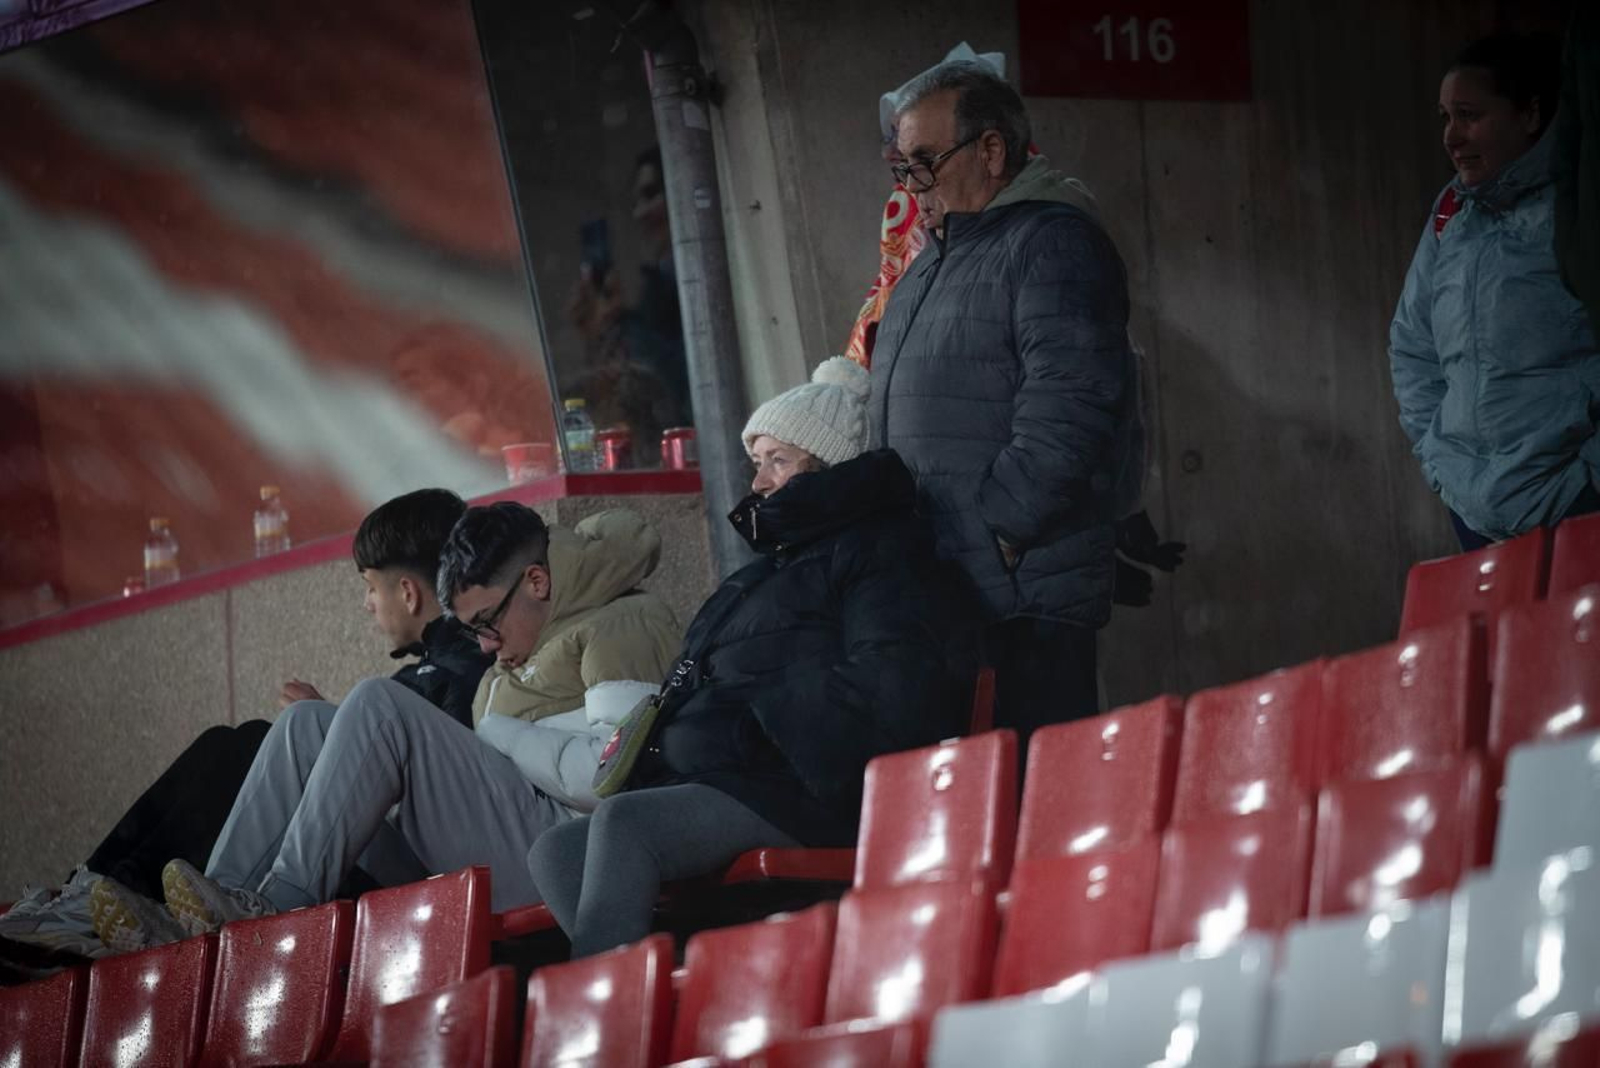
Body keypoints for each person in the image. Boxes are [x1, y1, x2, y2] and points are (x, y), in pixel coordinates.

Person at [528, 357, 973, 957]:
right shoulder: (769, 571)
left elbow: (896, 685)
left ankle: (604, 1026)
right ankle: (662, 993)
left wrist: (750, 724)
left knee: (625, 827)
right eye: (756, 463)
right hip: (736, 778)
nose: (759, 482)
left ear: (828, 468)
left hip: (807, 785)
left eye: (778, 461)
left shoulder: (883, 552)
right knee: (555, 850)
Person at [86, 504, 680, 953]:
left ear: (537, 583)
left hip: (567, 853)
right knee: (306, 724)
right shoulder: (515, 648)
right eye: (474, 631)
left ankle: (275, 910)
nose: (487, 648)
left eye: (487, 624)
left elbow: (613, 777)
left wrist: (499, 735)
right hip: (501, 841)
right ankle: (218, 907)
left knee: (376, 703)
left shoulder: (621, 622)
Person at [0, 488, 489, 962]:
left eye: (369, 588)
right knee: (230, 741)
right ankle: (100, 894)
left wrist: (338, 732)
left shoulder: (466, 666)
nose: (367, 605)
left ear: (406, 592)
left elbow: (432, 794)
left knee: (250, 744)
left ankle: (111, 907)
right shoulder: (435, 666)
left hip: (419, 877)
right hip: (373, 854)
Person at [868, 63, 1137, 744]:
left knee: (1039, 810)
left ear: (991, 151)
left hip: (1022, 598)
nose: (910, 186)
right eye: (901, 166)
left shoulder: (1053, 242)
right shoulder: (933, 261)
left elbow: (1074, 401)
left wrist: (1002, 530)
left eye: (925, 163)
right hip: (949, 587)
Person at [1390, 33, 1600, 551]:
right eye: (1445, 117)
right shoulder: (1451, 214)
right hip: (1474, 517)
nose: (1451, 137)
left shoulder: (1578, 207)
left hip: (1573, 505)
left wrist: (1589, 482)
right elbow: (1412, 347)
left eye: (1468, 114)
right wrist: (1444, 466)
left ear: (1529, 115)